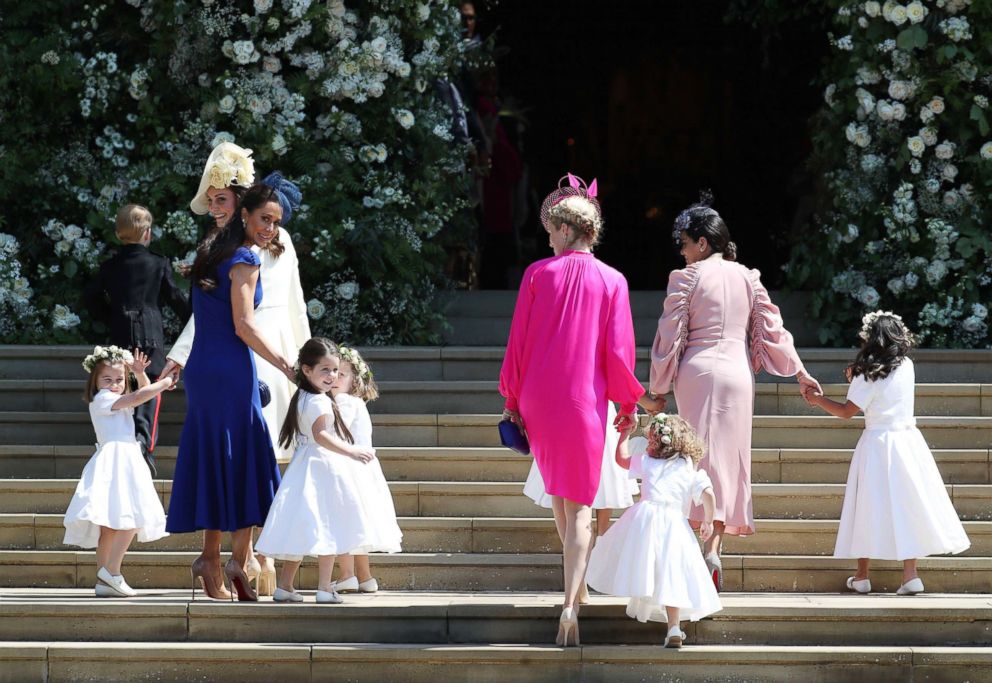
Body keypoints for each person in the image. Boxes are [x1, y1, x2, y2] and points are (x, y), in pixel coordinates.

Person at [641, 193, 821, 590]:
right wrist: (801, 372)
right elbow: (773, 330)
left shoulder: (687, 277)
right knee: (728, 461)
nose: (682, 252)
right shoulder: (748, 277)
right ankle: (714, 548)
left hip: (698, 373)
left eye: (684, 244)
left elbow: (670, 334)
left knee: (692, 458)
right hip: (739, 374)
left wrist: (656, 389)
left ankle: (693, 550)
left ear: (702, 243)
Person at [499, 174, 644, 646]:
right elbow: (619, 352)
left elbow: (518, 341)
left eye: (549, 230)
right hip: (585, 399)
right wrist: (627, 402)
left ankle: (576, 590)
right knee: (579, 504)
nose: (547, 238)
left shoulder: (538, 274)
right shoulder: (614, 280)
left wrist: (511, 398)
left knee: (561, 496)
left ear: (565, 230)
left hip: (541, 398)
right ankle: (569, 602)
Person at [163, 144, 310, 596]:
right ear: (246, 214)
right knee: (245, 457)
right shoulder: (244, 259)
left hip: (206, 368)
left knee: (217, 456)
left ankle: (213, 560)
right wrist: (289, 366)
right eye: (264, 219)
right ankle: (236, 562)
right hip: (231, 365)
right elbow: (244, 325)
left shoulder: (210, 249)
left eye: (275, 221)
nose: (270, 228)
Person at [803, 311, 970, 595]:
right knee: (908, 504)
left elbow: (847, 412)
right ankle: (910, 575)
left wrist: (817, 400)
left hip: (877, 444)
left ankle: (862, 575)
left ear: (870, 339)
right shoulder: (907, 365)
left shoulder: (865, 373)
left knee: (867, 506)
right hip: (907, 441)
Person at [256, 338, 381, 604]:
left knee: (300, 526)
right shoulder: (320, 401)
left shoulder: (303, 395)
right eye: (325, 370)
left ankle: (286, 585)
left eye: (335, 370)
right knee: (328, 525)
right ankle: (325, 587)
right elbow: (321, 435)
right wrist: (353, 451)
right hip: (324, 467)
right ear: (306, 370)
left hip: (303, 468)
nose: (332, 376)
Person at [587, 413, 721, 649]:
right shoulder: (687, 466)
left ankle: (652, 600)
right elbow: (708, 493)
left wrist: (625, 434)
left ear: (655, 441)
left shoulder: (647, 461)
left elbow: (621, 459)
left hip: (644, 520)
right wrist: (708, 520)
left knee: (647, 565)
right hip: (674, 523)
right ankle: (674, 627)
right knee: (672, 573)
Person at [83, 204, 188, 476]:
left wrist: (111, 315)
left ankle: (127, 444)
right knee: (149, 390)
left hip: (120, 334)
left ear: (120, 234)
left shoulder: (110, 266)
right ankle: (144, 444)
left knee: (122, 387)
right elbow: (175, 299)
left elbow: (90, 298)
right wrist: (196, 317)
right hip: (151, 335)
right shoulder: (158, 263)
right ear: (147, 233)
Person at [64, 346, 174, 597]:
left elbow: (143, 396)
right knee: (133, 517)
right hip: (117, 459)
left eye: (119, 380)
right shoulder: (102, 399)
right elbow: (137, 398)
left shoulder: (117, 399)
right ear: (96, 381)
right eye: (107, 379)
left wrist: (139, 374)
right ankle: (111, 571)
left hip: (124, 458)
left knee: (111, 526)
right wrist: (164, 382)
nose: (114, 384)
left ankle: (104, 581)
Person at [522, 400, 638, 602]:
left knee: (560, 486)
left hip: (558, 409)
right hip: (597, 408)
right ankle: (596, 548)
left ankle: (579, 573)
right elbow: (619, 375)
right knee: (604, 477)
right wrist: (636, 404)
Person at [329, 345, 403, 594]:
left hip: (348, 470)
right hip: (364, 472)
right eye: (333, 372)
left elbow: (336, 434)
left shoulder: (343, 402)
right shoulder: (356, 402)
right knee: (357, 526)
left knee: (345, 524)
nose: (336, 378)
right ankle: (365, 577)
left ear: (354, 380)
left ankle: (347, 574)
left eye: (343, 374)